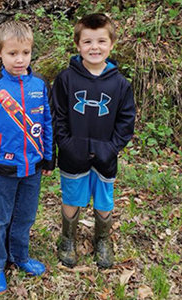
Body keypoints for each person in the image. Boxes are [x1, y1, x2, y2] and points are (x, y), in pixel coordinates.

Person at [0, 20, 55, 295]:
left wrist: (48, 157)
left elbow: (46, 122)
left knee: (24, 217)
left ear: (32, 52)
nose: (19, 60)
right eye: (12, 54)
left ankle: (19, 256)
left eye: (25, 53)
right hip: (3, 170)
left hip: (32, 168)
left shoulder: (40, 85)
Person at [52, 13, 135, 269]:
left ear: (111, 44)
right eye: (87, 42)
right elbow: (57, 115)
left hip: (105, 155)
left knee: (104, 200)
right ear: (78, 45)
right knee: (72, 197)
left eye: (101, 41)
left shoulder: (120, 84)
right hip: (72, 154)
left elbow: (126, 121)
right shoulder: (66, 79)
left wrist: (110, 148)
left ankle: (103, 239)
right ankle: (68, 238)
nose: (94, 47)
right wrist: (67, 144)